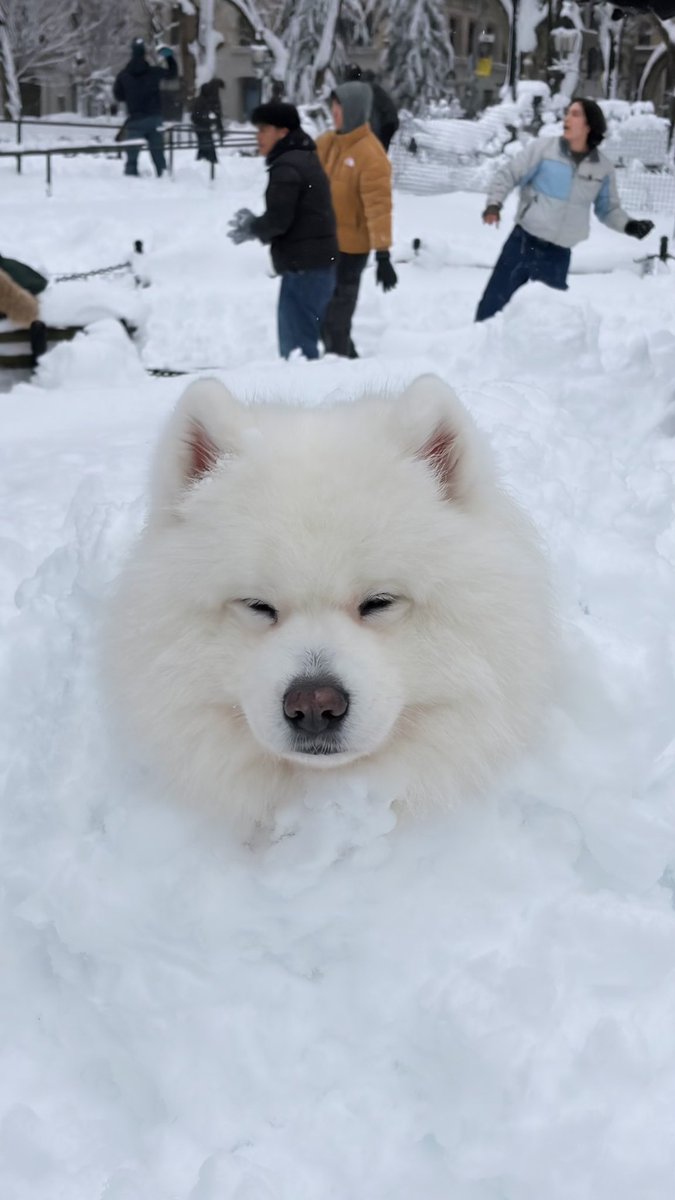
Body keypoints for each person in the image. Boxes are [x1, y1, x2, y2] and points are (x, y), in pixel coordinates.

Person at [475, 97, 654, 322]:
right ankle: (479, 344)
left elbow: (607, 209)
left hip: (557, 255)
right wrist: (494, 204)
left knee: (548, 321)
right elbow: (509, 174)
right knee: (494, 305)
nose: (567, 118)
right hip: (523, 243)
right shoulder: (544, 149)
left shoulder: (602, 168)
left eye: (575, 114)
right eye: (567, 113)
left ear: (589, 126)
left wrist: (630, 225)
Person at [227, 102, 338, 361]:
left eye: (264, 129)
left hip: (305, 268)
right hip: (317, 263)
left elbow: (280, 219)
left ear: (283, 133)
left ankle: (303, 398)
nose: (258, 136)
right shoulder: (303, 158)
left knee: (297, 350)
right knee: (305, 342)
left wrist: (252, 227)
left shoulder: (287, 166)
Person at [315, 81, 397, 359]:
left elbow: (379, 207)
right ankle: (348, 366)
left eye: (338, 107)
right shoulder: (329, 143)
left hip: (351, 252)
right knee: (323, 319)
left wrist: (383, 254)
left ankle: (344, 376)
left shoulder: (371, 155)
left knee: (335, 322)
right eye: (333, 106)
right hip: (325, 245)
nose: (334, 112)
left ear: (352, 110)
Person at [113, 38, 177, 177]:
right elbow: (172, 74)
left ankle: (131, 175)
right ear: (144, 53)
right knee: (157, 151)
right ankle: (162, 175)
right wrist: (169, 57)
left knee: (132, 152)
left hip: (135, 118)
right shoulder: (154, 72)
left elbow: (118, 96)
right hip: (154, 117)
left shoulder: (123, 75)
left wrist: (131, 96)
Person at [344, 64, 399, 152]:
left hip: (385, 125)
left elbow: (371, 116)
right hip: (389, 123)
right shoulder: (370, 88)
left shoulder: (366, 90)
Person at [191, 78, 225, 164]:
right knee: (207, 145)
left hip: (201, 125)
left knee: (204, 145)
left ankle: (203, 162)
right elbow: (199, 115)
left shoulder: (202, 99)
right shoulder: (206, 99)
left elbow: (196, 115)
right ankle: (210, 162)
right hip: (203, 125)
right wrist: (211, 121)